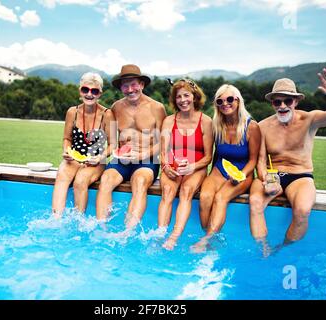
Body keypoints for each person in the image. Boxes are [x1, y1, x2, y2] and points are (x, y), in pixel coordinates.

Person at [249, 68, 326, 244]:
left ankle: (282, 251)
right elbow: (261, 160)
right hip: (272, 175)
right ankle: (263, 251)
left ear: (295, 101)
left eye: (287, 100)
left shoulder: (310, 120)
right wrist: (267, 179)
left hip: (300, 176)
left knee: (302, 211)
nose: (282, 106)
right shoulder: (263, 126)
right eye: (277, 102)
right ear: (272, 103)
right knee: (255, 202)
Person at [95, 64, 167, 229]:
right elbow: (112, 140)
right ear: (121, 88)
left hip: (147, 160)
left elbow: (164, 141)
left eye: (133, 84)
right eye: (125, 85)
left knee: (139, 181)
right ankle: (101, 228)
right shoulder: (116, 108)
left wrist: (141, 156)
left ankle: (128, 231)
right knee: (105, 180)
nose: (130, 89)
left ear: (141, 85)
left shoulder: (157, 108)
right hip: (122, 160)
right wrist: (104, 154)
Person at [192, 84, 261, 252]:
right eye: (220, 101)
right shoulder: (217, 125)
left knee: (221, 198)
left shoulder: (251, 127)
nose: (225, 103)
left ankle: (205, 240)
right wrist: (208, 176)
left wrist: (241, 175)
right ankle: (211, 238)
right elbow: (216, 155)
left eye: (230, 99)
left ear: (238, 101)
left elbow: (253, 160)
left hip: (243, 171)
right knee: (206, 197)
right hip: (219, 169)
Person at [158, 79, 213, 250]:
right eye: (179, 97)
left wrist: (192, 167)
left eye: (186, 95)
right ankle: (160, 234)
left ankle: (174, 237)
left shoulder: (206, 121)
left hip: (196, 165)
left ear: (195, 96)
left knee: (186, 191)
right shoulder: (168, 121)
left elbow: (208, 157)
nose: (183, 100)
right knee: (167, 192)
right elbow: (162, 152)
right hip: (172, 164)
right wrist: (166, 167)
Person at [52, 72, 116, 218]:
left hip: (96, 161)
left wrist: (100, 157)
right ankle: (55, 219)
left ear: (100, 93)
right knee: (61, 175)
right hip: (74, 158)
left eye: (94, 91)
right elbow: (67, 139)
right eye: (85, 89)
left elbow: (113, 145)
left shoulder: (107, 114)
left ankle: (78, 222)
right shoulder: (72, 112)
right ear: (80, 90)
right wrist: (66, 151)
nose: (89, 94)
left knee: (80, 181)